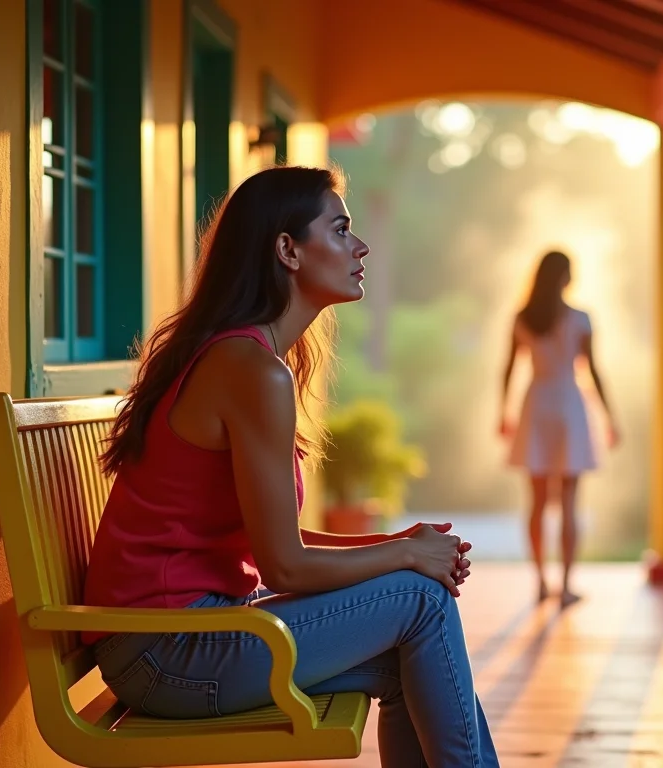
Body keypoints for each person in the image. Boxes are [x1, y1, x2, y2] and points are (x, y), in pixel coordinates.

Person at [84, 166, 499, 767]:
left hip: (175, 641)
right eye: (339, 230)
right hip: (166, 652)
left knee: (411, 646)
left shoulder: (244, 357)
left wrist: (396, 540)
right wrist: (408, 558)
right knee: (423, 601)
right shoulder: (250, 371)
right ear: (287, 250)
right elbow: (282, 564)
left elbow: (275, 537)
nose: (360, 246)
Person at [498, 250, 618, 608]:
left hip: (536, 405)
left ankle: (540, 581)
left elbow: (508, 368)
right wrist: (610, 417)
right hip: (569, 405)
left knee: (535, 502)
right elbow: (593, 371)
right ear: (564, 277)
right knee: (568, 501)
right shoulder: (581, 319)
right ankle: (564, 586)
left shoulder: (523, 318)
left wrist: (502, 412)